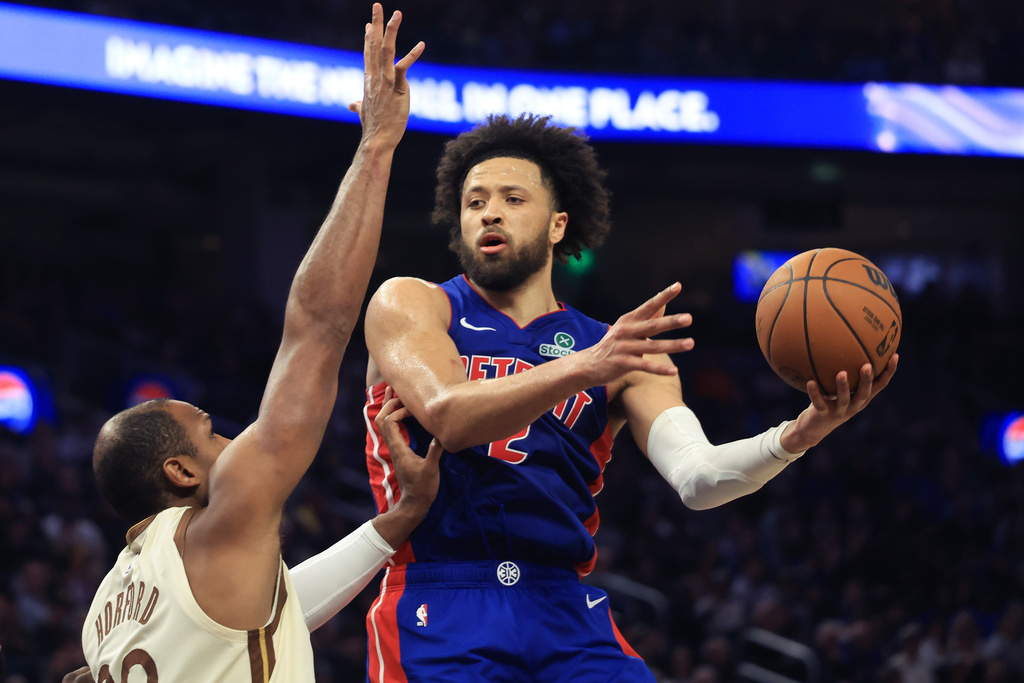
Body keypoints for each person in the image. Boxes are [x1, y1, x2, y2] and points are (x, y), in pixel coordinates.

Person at [361, 113, 898, 682]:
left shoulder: (619, 352)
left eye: (513, 198)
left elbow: (700, 478)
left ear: (557, 225)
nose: (489, 212)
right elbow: (449, 416)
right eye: (474, 202)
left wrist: (795, 437)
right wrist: (585, 366)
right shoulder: (415, 305)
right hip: (440, 596)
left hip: (563, 607)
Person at [75, 6, 435, 681]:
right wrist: (377, 146)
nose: (232, 441)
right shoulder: (214, 520)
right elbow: (319, 326)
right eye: (210, 434)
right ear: (181, 473)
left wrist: (397, 521)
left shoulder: (104, 611)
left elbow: (281, 607)